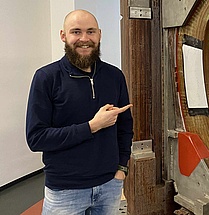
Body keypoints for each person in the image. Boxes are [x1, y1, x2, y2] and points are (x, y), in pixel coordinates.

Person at [25, 9, 133, 215]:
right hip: (65, 190)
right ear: (63, 36)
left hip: (109, 185)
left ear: (99, 34)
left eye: (90, 32)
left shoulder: (114, 76)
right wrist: (92, 126)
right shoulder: (46, 78)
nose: (84, 39)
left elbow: (125, 127)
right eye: (76, 32)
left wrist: (122, 168)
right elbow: (36, 138)